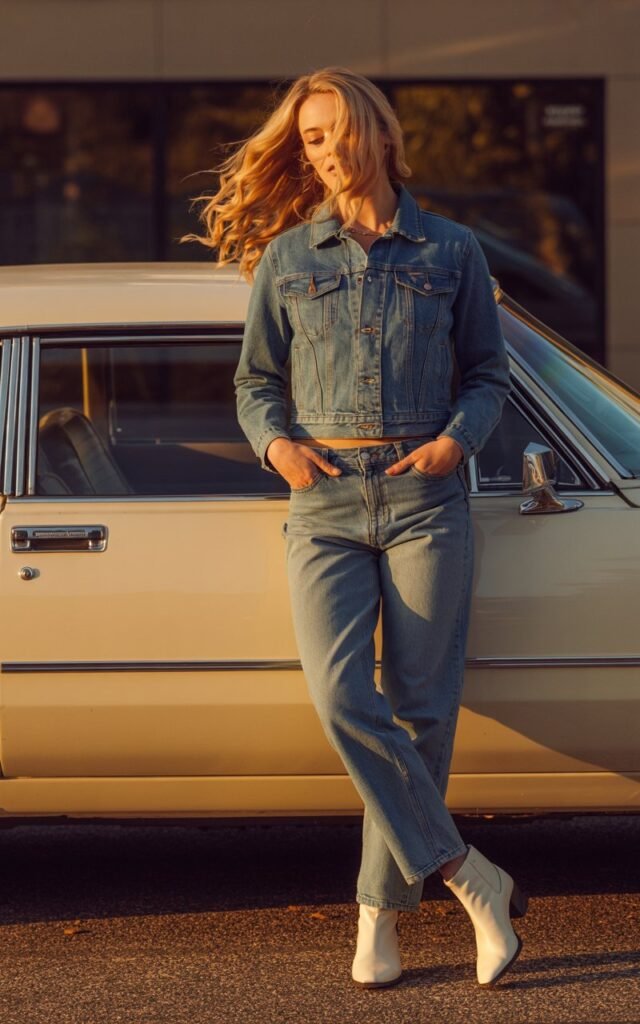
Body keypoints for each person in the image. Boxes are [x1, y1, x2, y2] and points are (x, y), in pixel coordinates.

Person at [189, 66, 527, 990]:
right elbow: (256, 381)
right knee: (344, 697)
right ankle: (470, 875)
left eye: (336, 132)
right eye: (309, 139)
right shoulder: (288, 261)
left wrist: (460, 443)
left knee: (421, 713)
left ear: (377, 135)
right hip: (326, 502)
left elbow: (488, 376)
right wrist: (281, 450)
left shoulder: (452, 253)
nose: (324, 151)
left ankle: (378, 915)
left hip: (425, 497)